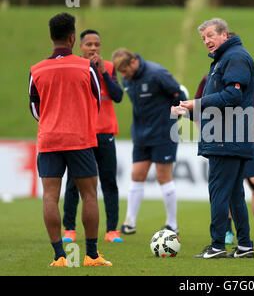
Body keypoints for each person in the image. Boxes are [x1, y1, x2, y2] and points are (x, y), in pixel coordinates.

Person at [28, 13, 112, 267]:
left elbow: (34, 108)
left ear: (51, 37)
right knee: (89, 194)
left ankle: (59, 257)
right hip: (80, 139)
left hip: (49, 139)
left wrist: (51, 121)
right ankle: (91, 255)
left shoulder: (36, 69)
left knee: (50, 196)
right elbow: (96, 100)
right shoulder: (86, 67)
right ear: (73, 38)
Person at [172, 18, 254, 258]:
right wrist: (190, 110)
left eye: (210, 35)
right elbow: (223, 100)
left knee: (219, 191)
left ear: (224, 35)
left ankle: (217, 246)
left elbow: (232, 96)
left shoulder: (235, 57)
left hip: (226, 138)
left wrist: (196, 104)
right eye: (203, 38)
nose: (207, 41)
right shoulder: (226, 58)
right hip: (230, 136)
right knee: (233, 194)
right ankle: (244, 246)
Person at [195, 70, 254, 246]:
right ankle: (228, 231)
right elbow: (198, 106)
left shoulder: (252, 75)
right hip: (222, 140)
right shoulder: (209, 77)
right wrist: (204, 129)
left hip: (247, 139)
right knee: (227, 186)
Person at [112, 48, 187, 236]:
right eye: (120, 72)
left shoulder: (157, 73)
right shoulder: (127, 78)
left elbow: (180, 95)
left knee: (163, 176)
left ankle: (172, 224)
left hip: (164, 134)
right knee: (136, 174)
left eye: (125, 70)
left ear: (133, 62)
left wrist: (172, 120)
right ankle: (129, 222)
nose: (123, 76)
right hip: (141, 135)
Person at [61, 29, 124, 244]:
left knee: (109, 182)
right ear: (80, 46)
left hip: (105, 133)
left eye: (97, 44)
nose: (93, 48)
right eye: (89, 44)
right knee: (73, 182)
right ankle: (69, 229)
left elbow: (118, 96)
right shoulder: (74, 67)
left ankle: (112, 230)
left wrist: (103, 72)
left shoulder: (109, 67)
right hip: (81, 134)